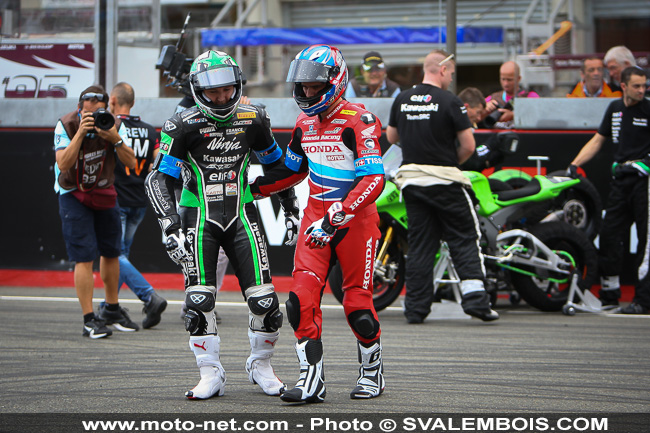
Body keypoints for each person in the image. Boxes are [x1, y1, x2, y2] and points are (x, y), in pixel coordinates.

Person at [145, 50, 299, 399]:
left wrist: (289, 208)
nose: (222, 97)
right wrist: (170, 225)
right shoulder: (181, 123)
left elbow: (279, 167)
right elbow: (157, 179)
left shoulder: (254, 117)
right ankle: (210, 373)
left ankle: (260, 366)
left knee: (267, 305)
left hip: (243, 216)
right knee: (198, 302)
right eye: (213, 92)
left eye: (228, 89)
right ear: (198, 89)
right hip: (197, 219)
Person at [250, 44, 387, 403]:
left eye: (314, 86)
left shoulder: (360, 120)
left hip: (355, 223)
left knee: (357, 306)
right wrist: (245, 189)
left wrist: (336, 216)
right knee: (299, 301)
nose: (307, 92)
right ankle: (312, 380)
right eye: (303, 86)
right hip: (316, 222)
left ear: (335, 81)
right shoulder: (303, 124)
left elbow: (374, 180)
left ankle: (372, 371)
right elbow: (291, 171)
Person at [386, 50, 499, 324]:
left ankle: (415, 308)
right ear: (443, 70)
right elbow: (469, 146)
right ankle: (475, 301)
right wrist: (448, 162)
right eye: (451, 73)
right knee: (464, 237)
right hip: (446, 181)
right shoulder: (451, 101)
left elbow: (391, 136)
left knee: (422, 245)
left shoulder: (401, 99)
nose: (451, 78)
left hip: (411, 182)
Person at [54, 85, 139, 339]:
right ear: (79, 110)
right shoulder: (66, 124)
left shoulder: (112, 124)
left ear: (106, 107)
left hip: (104, 192)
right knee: (84, 256)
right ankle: (89, 319)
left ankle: (112, 309)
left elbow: (131, 162)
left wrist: (114, 137)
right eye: (87, 114)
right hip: (73, 194)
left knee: (112, 252)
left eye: (98, 112)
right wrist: (81, 132)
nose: (93, 118)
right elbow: (63, 164)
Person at [567, 66, 650, 315]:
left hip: (644, 183)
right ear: (623, 86)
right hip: (620, 182)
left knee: (646, 243)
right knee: (610, 235)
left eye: (644, 85)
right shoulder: (614, 108)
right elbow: (598, 139)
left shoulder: (648, 108)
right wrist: (574, 164)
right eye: (637, 86)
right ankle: (609, 296)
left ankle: (644, 300)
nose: (642, 90)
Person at [106, 82, 168, 329]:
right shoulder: (149, 130)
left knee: (114, 255)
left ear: (113, 100)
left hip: (117, 199)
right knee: (122, 255)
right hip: (139, 201)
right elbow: (159, 163)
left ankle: (149, 296)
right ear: (132, 103)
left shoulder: (111, 128)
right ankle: (108, 306)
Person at [483, 60, 539, 129]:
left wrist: (513, 115)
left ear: (518, 79)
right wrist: (485, 109)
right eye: (503, 79)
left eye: (509, 80)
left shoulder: (530, 97)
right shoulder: (493, 98)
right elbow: (475, 115)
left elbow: (539, 116)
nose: (505, 84)